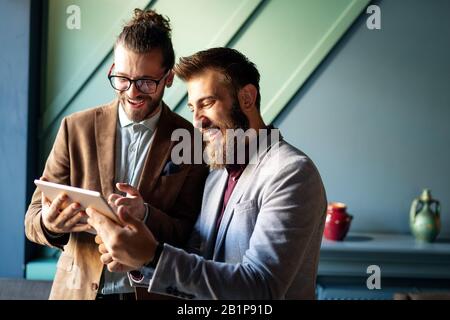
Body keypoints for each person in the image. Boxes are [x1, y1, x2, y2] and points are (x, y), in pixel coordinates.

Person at [87, 47, 327, 299]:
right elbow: (197, 264)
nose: (198, 122)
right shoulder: (216, 177)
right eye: (193, 108)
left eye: (208, 103)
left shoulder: (292, 172)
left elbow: (262, 288)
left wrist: (153, 257)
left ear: (247, 98)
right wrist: (139, 262)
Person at [24, 9, 208, 300]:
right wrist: (49, 224)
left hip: (152, 293)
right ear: (112, 69)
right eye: (122, 78)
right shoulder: (75, 128)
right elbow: (32, 219)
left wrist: (145, 214)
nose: (133, 92)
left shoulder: (192, 142)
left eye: (146, 82)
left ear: (169, 77)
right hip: (78, 292)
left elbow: (188, 233)